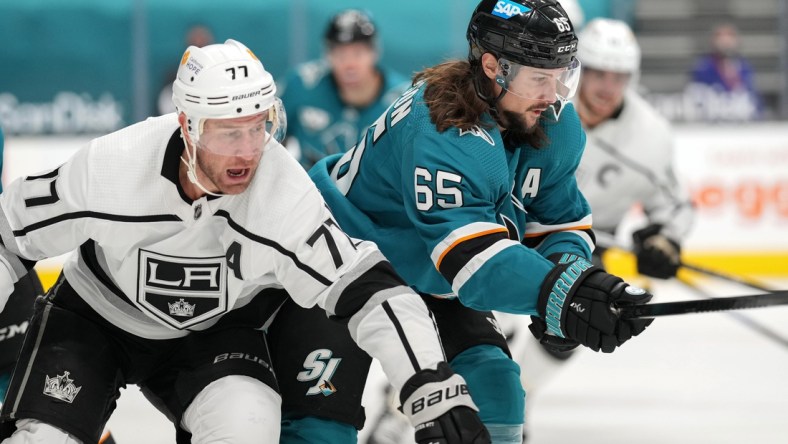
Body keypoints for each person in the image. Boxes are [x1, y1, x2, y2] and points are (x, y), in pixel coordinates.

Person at [0, 39, 488, 444]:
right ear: (187, 127)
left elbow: (367, 286)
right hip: (96, 324)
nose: (249, 152)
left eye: (258, 127)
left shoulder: (280, 190)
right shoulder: (110, 168)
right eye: (229, 133)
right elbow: (7, 232)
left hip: (214, 333)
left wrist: (428, 381)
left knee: (248, 427)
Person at [306, 1, 655, 443]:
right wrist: (560, 294)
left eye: (562, 74)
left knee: (499, 393)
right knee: (319, 427)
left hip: (428, 266)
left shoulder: (553, 122)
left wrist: (571, 280)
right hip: (337, 261)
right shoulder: (441, 124)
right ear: (494, 66)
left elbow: (558, 220)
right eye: (540, 78)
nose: (554, 94)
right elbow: (471, 262)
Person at [509, 17, 696, 438]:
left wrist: (665, 238)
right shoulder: (539, 103)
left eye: (619, 76)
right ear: (576, 68)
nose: (607, 86)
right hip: (512, 224)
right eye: (597, 72)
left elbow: (673, 205)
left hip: (581, 241)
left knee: (571, 324)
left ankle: (518, 396)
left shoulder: (651, 136)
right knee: (487, 318)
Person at [279, 9, 410, 169]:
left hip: (376, 193)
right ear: (327, 55)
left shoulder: (403, 99)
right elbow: (269, 140)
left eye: (358, 53)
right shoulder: (301, 85)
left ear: (374, 53)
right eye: (340, 54)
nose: (349, 65)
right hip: (310, 190)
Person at [688, 22, 763, 121]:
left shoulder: (744, 67)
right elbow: (696, 99)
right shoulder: (703, 68)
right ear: (713, 41)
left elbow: (753, 99)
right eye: (721, 36)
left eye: (730, 36)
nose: (725, 41)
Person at [157, 24, 215, 115]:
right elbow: (168, 108)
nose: (199, 48)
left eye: (203, 45)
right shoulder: (175, 76)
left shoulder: (218, 74)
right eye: (195, 45)